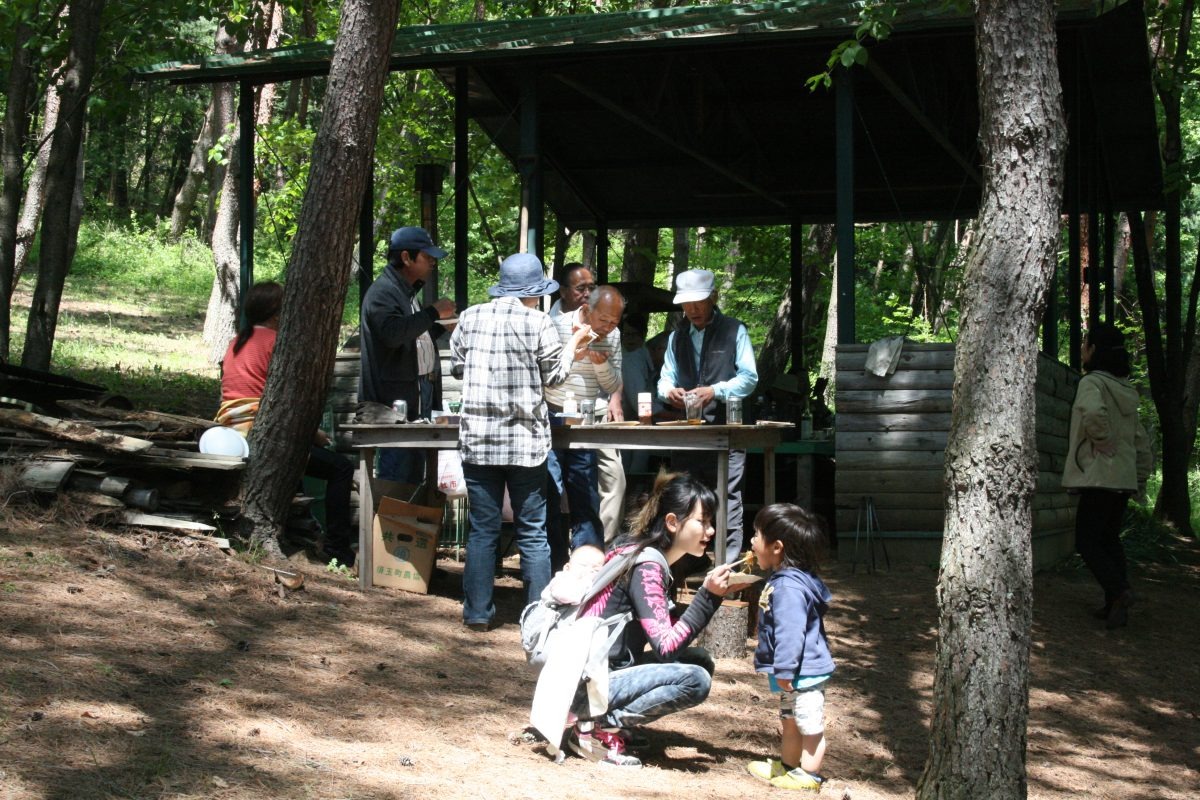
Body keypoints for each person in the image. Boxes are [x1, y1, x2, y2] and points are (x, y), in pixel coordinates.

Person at [449, 252, 593, 632]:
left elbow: (458, 367)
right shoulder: (538, 322)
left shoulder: (469, 317)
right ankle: (538, 617)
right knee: (532, 530)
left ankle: (477, 612)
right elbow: (555, 378)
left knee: (482, 528)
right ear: (533, 291)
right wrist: (574, 347)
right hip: (525, 443)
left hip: (478, 441)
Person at [568, 471, 735, 767]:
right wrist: (708, 597)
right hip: (587, 686)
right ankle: (595, 726)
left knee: (699, 661)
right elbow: (666, 648)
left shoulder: (640, 550)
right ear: (672, 522)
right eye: (703, 521)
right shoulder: (647, 566)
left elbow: (669, 637)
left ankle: (610, 721)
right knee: (696, 679)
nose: (710, 531)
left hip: (594, 675)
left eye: (711, 523)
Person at [217, 281, 356, 566]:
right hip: (259, 432)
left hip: (231, 429)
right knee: (341, 468)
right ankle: (339, 549)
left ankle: (306, 531)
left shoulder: (235, 342)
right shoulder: (276, 343)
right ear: (277, 314)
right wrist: (313, 434)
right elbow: (286, 405)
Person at [657, 268, 758, 563]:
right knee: (686, 494)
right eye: (687, 304)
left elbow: (750, 378)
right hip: (687, 432)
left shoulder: (734, 330)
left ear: (713, 297)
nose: (693, 309)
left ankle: (726, 565)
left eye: (699, 302)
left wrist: (715, 391)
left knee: (727, 496)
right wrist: (669, 392)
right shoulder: (677, 338)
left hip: (728, 428)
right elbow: (664, 379)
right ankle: (685, 563)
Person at [1061, 322, 1153, 630]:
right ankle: (1113, 601)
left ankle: (1120, 591)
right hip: (1123, 478)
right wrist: (1139, 476)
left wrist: (1101, 441)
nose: (1083, 350)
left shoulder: (1092, 383)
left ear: (1095, 350)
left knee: (1087, 541)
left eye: (1086, 345)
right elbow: (1139, 439)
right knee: (1109, 539)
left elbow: (1091, 412)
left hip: (1100, 475)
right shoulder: (1127, 391)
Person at [744, 503, 835, 791]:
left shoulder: (789, 588)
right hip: (793, 674)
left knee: (809, 725)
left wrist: (784, 668)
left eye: (756, 535)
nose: (751, 542)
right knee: (790, 721)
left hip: (802, 672)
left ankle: (810, 775)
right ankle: (789, 766)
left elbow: (791, 633)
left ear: (777, 547)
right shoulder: (783, 581)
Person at [360, 226, 456, 483]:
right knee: (399, 476)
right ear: (406, 257)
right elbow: (392, 334)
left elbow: (410, 338)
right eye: (427, 256)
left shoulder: (405, 291)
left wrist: (437, 326)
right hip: (395, 402)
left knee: (415, 473)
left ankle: (409, 521)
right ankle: (393, 523)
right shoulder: (383, 292)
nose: (433, 262)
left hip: (416, 394)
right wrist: (433, 314)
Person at [545, 285, 625, 567]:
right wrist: (572, 353)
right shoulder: (555, 326)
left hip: (586, 420)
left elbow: (613, 385)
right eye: (604, 320)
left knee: (586, 495)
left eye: (615, 321)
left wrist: (601, 365)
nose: (608, 327)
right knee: (551, 492)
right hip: (552, 417)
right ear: (587, 310)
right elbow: (545, 374)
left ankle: (587, 566)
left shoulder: (612, 336)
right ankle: (554, 565)